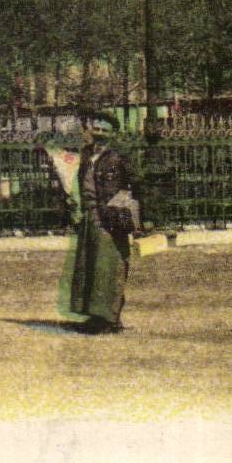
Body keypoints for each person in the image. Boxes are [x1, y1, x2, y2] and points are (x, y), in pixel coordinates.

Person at [57, 113, 140, 334]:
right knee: (89, 267)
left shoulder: (121, 155)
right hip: (89, 217)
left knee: (110, 268)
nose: (100, 134)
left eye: (105, 130)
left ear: (113, 134)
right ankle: (94, 317)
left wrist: (123, 210)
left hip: (111, 220)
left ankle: (110, 319)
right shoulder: (86, 155)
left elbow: (136, 184)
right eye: (97, 129)